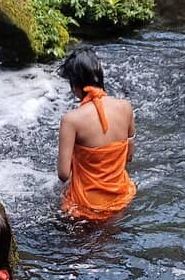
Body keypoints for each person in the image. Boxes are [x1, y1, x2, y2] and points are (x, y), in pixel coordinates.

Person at [57, 45, 136, 220]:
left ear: (75, 85)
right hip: (121, 197)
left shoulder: (71, 120)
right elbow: (128, 157)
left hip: (86, 205)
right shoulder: (125, 107)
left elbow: (63, 174)